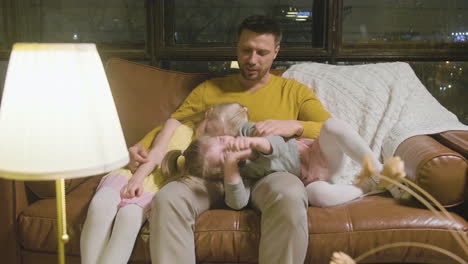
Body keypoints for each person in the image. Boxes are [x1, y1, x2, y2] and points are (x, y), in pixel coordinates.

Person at [131, 15, 332, 264]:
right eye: (246, 50)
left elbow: (329, 128)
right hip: (209, 175)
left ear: (276, 52)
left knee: (290, 193)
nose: (252, 59)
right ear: (237, 47)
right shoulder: (210, 89)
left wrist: (294, 126)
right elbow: (174, 122)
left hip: (268, 173)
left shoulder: (293, 91)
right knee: (168, 198)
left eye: (261, 52)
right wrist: (144, 149)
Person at [160, 102, 406, 209]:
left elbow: (277, 144)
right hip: (312, 179)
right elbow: (238, 203)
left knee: (333, 126)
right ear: (221, 171)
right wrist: (233, 167)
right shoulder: (241, 175)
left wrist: (254, 142)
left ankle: (379, 171)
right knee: (316, 195)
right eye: (224, 156)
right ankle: (366, 189)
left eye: (224, 141)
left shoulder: (246, 131)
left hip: (319, 153)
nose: (231, 147)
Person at [80, 118, 191, 264]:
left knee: (129, 217)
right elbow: (156, 152)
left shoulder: (210, 146)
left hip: (157, 186)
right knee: (101, 204)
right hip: (133, 174)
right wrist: (136, 179)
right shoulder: (176, 125)